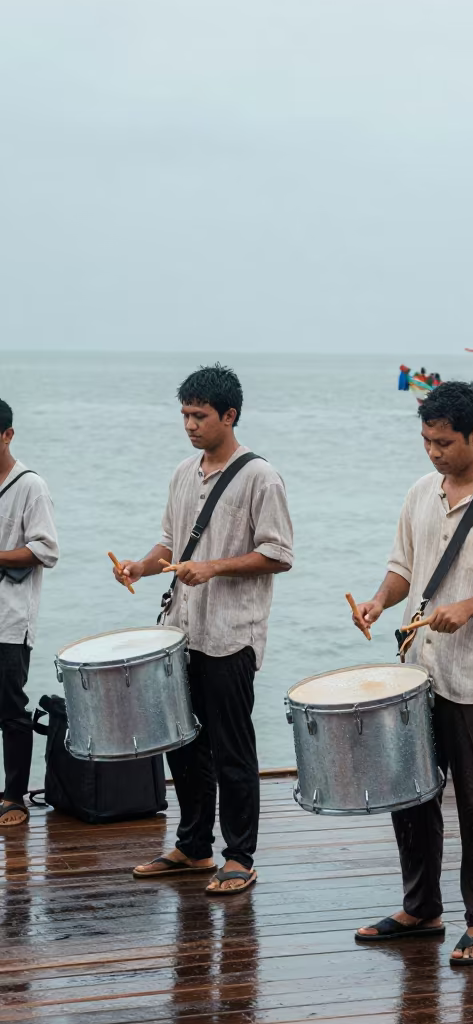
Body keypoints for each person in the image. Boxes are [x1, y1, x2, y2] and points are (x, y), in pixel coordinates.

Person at [351, 381, 473, 964]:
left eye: (444, 442)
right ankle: (421, 908)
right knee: (411, 797)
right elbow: (403, 568)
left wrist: (471, 606)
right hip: (420, 673)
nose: (434, 452)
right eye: (426, 441)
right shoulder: (420, 492)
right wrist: (377, 602)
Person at [114, 365, 293, 895]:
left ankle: (239, 855)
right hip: (181, 632)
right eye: (185, 415)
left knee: (232, 747)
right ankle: (193, 847)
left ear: (230, 416)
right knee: (183, 745)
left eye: (200, 416)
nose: (190, 425)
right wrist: (141, 567)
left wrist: (214, 567)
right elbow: (171, 542)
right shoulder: (181, 474)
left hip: (231, 633)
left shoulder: (262, 477)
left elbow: (279, 554)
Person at [0, 399, 59, 827]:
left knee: (9, 707)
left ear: (8, 435)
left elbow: (45, 550)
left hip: (10, 619)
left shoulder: (30, 486)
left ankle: (15, 797)